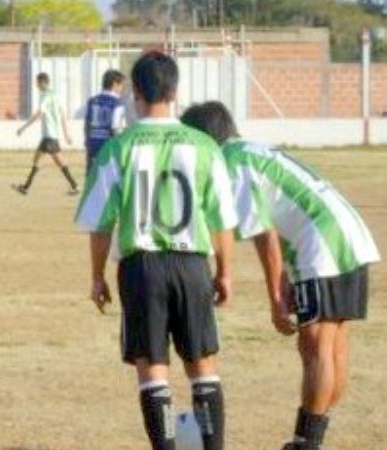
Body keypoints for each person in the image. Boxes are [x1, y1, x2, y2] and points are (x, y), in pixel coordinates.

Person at [180, 101, 380, 450]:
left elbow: (264, 233)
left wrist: (274, 297)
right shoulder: (251, 150)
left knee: (316, 345)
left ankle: (307, 443)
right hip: (347, 233)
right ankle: (312, 438)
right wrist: (289, 274)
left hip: (323, 244)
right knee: (333, 345)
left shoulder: (231, 162)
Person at [75, 52, 237, 450]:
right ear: (175, 91)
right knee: (203, 366)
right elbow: (222, 220)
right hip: (193, 263)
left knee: (153, 370)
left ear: (135, 93)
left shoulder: (119, 147)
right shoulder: (204, 146)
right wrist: (225, 272)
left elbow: (100, 223)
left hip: (141, 267)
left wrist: (97, 276)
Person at [13, 72, 79, 195]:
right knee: (50, 160)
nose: (36, 85)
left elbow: (39, 113)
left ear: (42, 82)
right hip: (52, 135)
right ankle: (74, 185)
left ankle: (26, 187)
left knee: (39, 160)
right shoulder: (56, 95)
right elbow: (62, 114)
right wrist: (66, 134)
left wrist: (23, 127)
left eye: (37, 82)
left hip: (49, 135)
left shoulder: (45, 96)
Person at [84, 69, 127, 173]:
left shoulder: (92, 100)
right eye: (121, 85)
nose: (122, 88)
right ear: (114, 84)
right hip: (108, 144)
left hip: (93, 142)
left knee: (92, 177)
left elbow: (87, 124)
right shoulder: (118, 103)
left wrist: (87, 141)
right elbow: (115, 128)